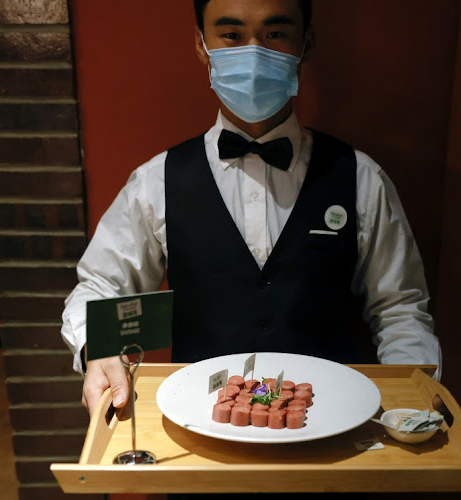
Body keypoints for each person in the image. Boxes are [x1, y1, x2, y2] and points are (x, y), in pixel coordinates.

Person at [61, 0, 441, 416]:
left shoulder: (360, 177)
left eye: (275, 34)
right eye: (231, 35)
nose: (254, 53)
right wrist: (97, 350)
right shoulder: (156, 181)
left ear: (306, 43)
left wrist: (413, 397)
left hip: (331, 435)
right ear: (202, 45)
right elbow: (99, 288)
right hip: (196, 436)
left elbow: (400, 307)